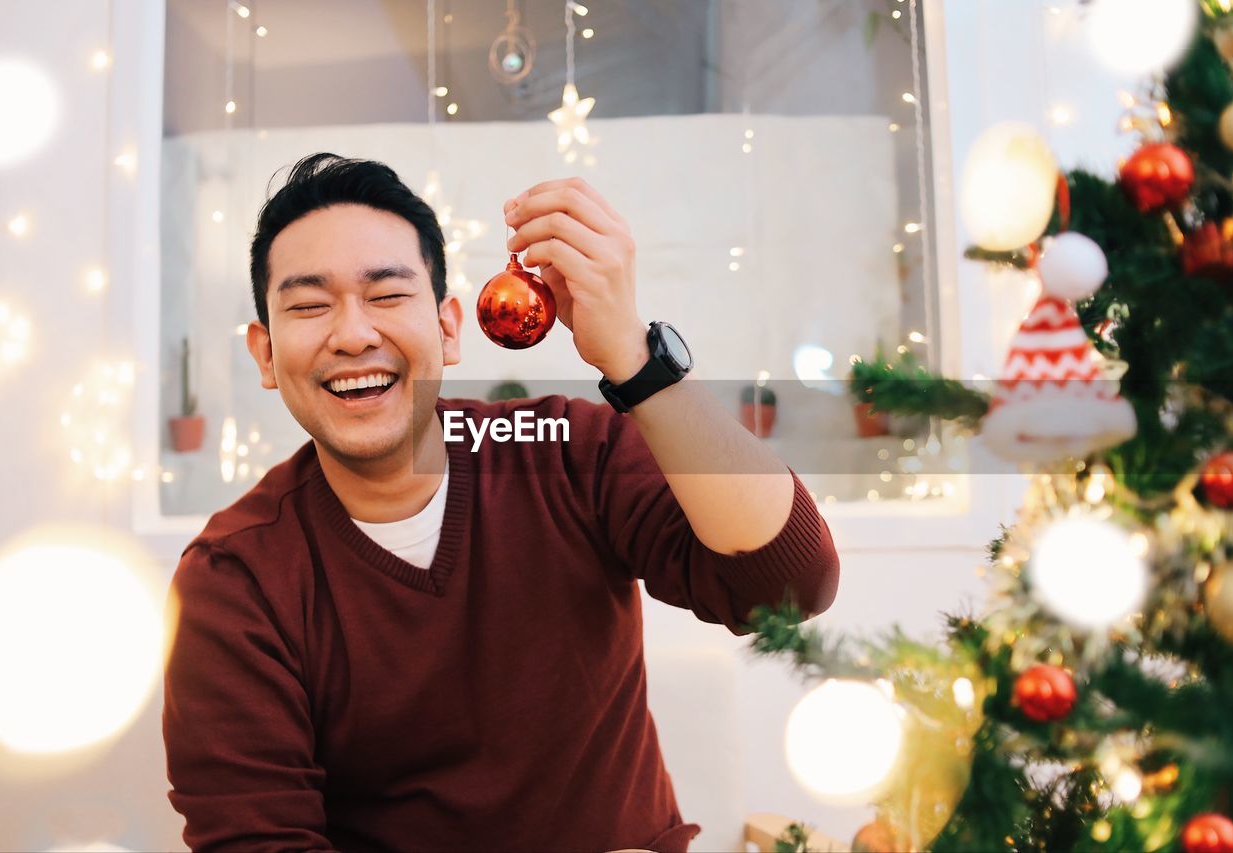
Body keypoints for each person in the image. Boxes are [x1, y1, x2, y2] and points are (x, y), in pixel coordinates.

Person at [161, 153, 840, 853]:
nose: (354, 334)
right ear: (265, 355)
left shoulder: (569, 453)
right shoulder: (234, 578)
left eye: (388, 295)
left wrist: (635, 363)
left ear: (450, 328)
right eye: (308, 305)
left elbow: (787, 587)